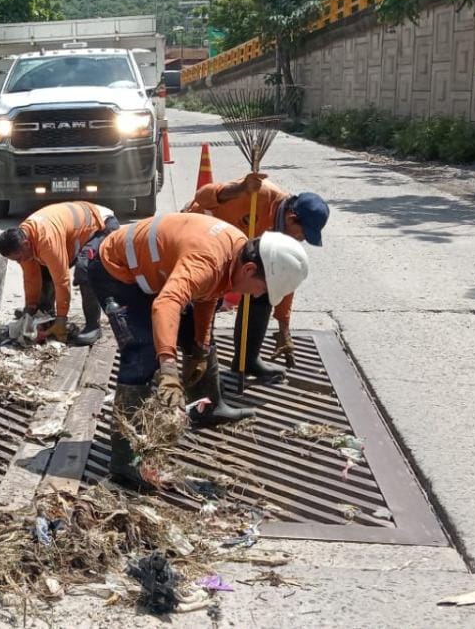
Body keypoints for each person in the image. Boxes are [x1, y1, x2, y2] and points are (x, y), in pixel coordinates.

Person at [83, 213, 309, 487]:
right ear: (249, 270)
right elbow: (166, 304)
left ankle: (208, 408)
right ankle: (124, 460)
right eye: (261, 289)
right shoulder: (208, 261)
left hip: (153, 273)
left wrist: (200, 349)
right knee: (141, 353)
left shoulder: (236, 251)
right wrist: (168, 368)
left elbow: (208, 294)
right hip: (114, 270)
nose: (258, 296)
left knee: (197, 335)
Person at [182, 172, 330, 384]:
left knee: (264, 291)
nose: (302, 240)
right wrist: (239, 189)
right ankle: (201, 374)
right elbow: (202, 196)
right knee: (207, 302)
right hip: (203, 240)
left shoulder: (285, 236)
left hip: (238, 254)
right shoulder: (259, 193)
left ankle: (247, 360)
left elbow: (282, 280)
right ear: (290, 218)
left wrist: (283, 329)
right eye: (302, 234)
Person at [0, 201, 118, 346]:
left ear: (26, 244)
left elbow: (62, 280)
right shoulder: (23, 240)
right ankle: (46, 317)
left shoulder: (46, 240)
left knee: (85, 269)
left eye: (19, 258)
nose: (19, 262)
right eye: (15, 260)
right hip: (75, 232)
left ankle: (93, 327)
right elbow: (31, 277)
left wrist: (62, 319)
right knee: (43, 268)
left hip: (101, 225)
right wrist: (30, 308)